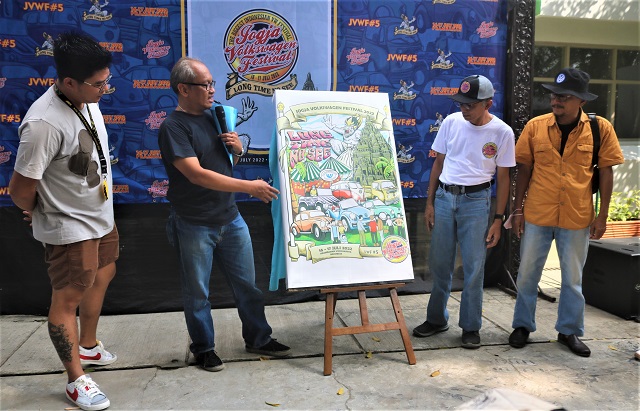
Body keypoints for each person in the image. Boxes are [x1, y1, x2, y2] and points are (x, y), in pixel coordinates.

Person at [158, 57, 290, 372]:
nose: (212, 90)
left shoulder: (214, 116)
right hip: (193, 223)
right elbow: (197, 174)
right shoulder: (172, 127)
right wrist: (249, 186)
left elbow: (223, 160)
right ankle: (204, 349)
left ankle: (258, 338)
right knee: (198, 292)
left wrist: (236, 148)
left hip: (230, 218)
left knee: (248, 286)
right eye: (205, 85)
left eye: (212, 83)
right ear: (183, 89)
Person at [9, 32, 117, 411]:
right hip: (70, 226)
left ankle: (87, 347)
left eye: (107, 80)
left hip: (99, 213)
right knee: (67, 297)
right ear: (68, 81)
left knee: (103, 273)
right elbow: (20, 189)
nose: (106, 89)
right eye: (98, 83)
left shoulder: (86, 96)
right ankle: (75, 380)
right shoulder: (43, 123)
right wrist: (38, 209)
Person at [507, 68, 624, 357]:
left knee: (572, 278)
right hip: (537, 212)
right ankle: (522, 325)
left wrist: (602, 215)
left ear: (581, 101)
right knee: (526, 274)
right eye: (554, 95)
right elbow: (523, 169)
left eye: (564, 97)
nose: (555, 101)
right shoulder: (535, 127)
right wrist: (517, 210)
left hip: (577, 215)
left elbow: (606, 173)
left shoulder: (601, 129)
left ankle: (569, 331)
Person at [413, 75, 515, 349]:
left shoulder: (502, 132)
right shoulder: (451, 122)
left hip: (477, 202)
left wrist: (498, 218)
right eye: (461, 103)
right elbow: (437, 164)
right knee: (440, 264)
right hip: (446, 198)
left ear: (488, 104)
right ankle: (436, 319)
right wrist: (430, 203)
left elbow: (504, 178)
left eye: (471, 105)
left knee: (473, 267)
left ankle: (470, 326)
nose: (464, 109)